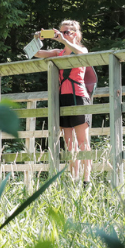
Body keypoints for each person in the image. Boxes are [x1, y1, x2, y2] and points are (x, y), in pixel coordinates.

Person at [34, 20, 92, 186]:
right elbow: (35, 53)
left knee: (83, 141)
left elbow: (82, 55)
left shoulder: (81, 49)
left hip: (79, 97)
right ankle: (74, 179)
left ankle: (86, 180)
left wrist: (64, 40)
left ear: (75, 34)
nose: (63, 34)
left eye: (67, 32)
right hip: (63, 99)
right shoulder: (58, 53)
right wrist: (37, 38)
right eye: (61, 32)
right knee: (69, 143)